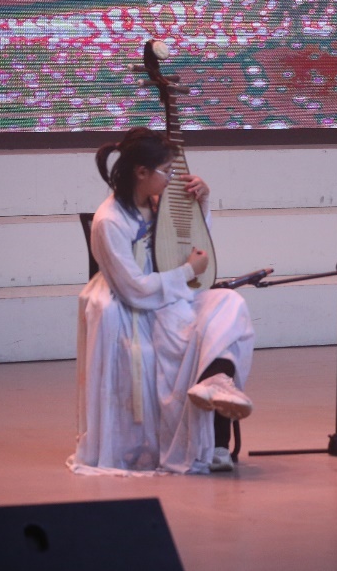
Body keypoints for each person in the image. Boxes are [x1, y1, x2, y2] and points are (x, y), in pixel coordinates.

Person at [70, 127, 255, 474]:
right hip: (135, 307)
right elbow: (135, 288)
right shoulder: (110, 221)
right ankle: (214, 442)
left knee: (230, 304)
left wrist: (202, 202)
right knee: (205, 339)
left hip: (171, 296)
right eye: (167, 171)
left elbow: (190, 246)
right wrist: (186, 272)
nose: (172, 178)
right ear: (142, 172)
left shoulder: (159, 203)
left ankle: (217, 384)